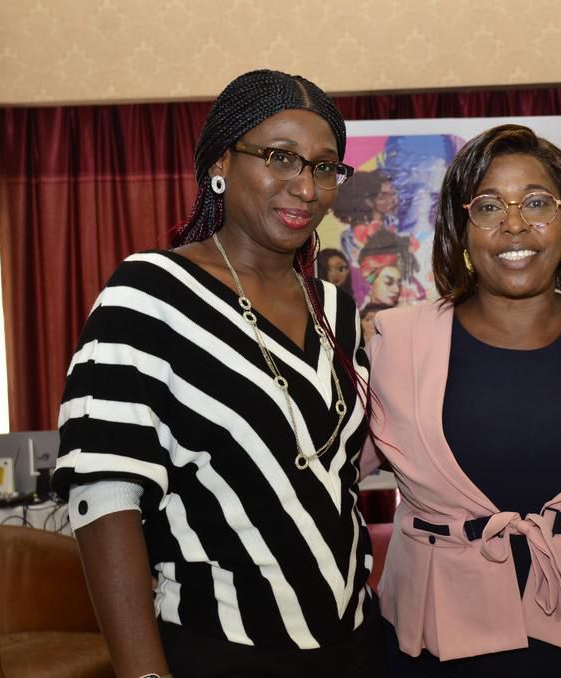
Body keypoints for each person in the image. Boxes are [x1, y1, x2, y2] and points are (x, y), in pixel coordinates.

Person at [52, 69, 385, 678]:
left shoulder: (334, 305)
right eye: (280, 157)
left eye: (324, 167)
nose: (305, 187)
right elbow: (104, 497)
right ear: (221, 163)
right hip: (221, 647)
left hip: (356, 645)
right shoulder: (149, 293)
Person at [363, 124, 561, 678]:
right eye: (490, 206)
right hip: (437, 643)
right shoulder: (394, 342)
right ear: (461, 228)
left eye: (538, 202)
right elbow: (323, 473)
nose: (515, 224)